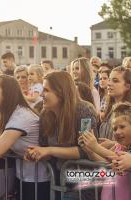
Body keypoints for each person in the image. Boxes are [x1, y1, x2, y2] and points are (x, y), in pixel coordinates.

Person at [25, 71, 98, 200]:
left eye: (46, 90)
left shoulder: (84, 110)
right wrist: (37, 154)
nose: (41, 94)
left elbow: (86, 150)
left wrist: (49, 150)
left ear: (61, 91)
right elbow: (44, 147)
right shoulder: (45, 114)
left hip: (83, 186)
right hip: (58, 181)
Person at [78, 102, 131, 200]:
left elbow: (119, 158)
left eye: (122, 127)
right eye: (114, 129)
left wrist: (96, 147)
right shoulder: (118, 146)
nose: (118, 132)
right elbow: (104, 161)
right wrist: (90, 150)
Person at [99, 67, 131, 139]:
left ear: (127, 86)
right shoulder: (109, 108)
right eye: (109, 80)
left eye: (115, 81)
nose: (109, 84)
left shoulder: (129, 111)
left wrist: (112, 144)